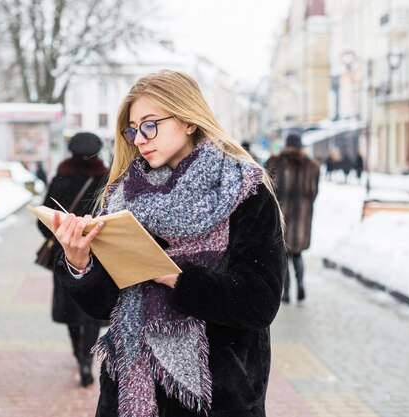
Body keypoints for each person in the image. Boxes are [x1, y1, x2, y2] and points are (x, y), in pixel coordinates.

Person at [48, 70, 286, 416]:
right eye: (133, 129)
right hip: (130, 399)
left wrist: (175, 277)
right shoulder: (122, 198)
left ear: (189, 121)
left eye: (150, 124)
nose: (140, 138)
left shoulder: (242, 190)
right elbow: (102, 308)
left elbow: (260, 301)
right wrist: (79, 261)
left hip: (218, 399)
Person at [37, 132, 109, 387]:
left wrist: (60, 235)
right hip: (97, 253)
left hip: (64, 252)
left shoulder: (61, 177)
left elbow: (43, 221)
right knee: (90, 309)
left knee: (70, 307)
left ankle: (79, 355)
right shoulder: (105, 177)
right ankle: (88, 360)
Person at [265, 133, 319, 304]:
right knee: (298, 255)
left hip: (282, 217)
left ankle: (286, 292)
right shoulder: (312, 167)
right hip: (302, 219)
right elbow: (314, 193)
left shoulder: (276, 163)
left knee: (284, 256)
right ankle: (301, 284)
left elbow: (269, 189)